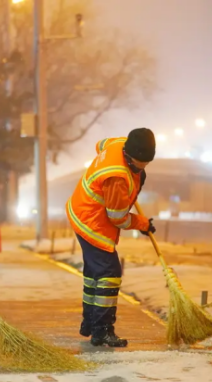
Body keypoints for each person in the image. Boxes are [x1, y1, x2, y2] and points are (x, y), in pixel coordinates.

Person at [66, 128, 156, 348]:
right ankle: (102, 330)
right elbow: (117, 217)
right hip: (92, 221)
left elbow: (100, 143)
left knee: (94, 273)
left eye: (146, 162)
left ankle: (89, 322)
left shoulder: (117, 143)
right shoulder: (116, 178)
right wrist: (142, 224)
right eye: (138, 162)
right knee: (109, 273)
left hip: (81, 209)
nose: (142, 167)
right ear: (128, 154)